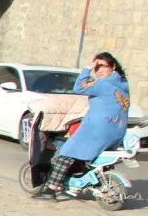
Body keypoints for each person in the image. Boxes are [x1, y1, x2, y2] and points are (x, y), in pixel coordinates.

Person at [33, 51, 131, 201]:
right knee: (88, 154)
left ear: (113, 67)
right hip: (117, 131)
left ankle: (51, 189)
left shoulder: (103, 84)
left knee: (66, 153)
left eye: (102, 66)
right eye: (96, 67)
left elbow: (78, 87)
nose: (98, 70)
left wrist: (88, 68)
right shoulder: (123, 84)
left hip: (98, 130)